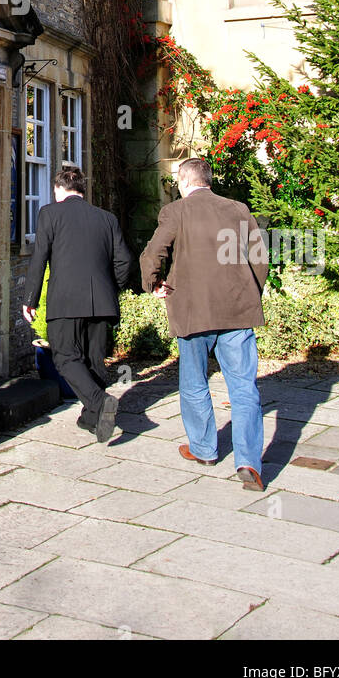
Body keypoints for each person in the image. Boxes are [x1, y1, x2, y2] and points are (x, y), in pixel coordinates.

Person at [139, 156, 269, 490]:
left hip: (192, 309)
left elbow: (154, 252)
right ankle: (249, 462)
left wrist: (153, 283)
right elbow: (260, 259)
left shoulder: (176, 211)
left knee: (195, 380)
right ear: (208, 181)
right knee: (243, 387)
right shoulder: (239, 209)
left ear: (183, 182)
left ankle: (204, 449)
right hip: (237, 311)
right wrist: (251, 293)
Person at [23, 165, 133, 442]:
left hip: (66, 300)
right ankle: (91, 417)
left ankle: (100, 402)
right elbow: (124, 261)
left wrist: (30, 298)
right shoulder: (106, 218)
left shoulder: (50, 213)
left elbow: (40, 258)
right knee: (94, 359)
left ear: (59, 190)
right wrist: (112, 287)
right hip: (101, 301)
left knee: (64, 356)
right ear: (82, 190)